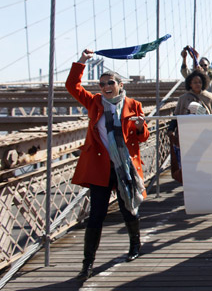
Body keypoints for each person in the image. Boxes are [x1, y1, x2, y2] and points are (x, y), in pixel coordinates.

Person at [66, 49, 149, 280]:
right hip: (100, 168)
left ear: (120, 84)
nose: (105, 87)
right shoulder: (93, 102)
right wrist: (82, 61)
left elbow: (142, 137)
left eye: (110, 82)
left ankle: (135, 247)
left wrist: (141, 127)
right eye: (102, 84)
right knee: (96, 215)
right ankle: (87, 263)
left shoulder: (134, 104)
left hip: (124, 168)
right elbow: (72, 85)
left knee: (129, 209)